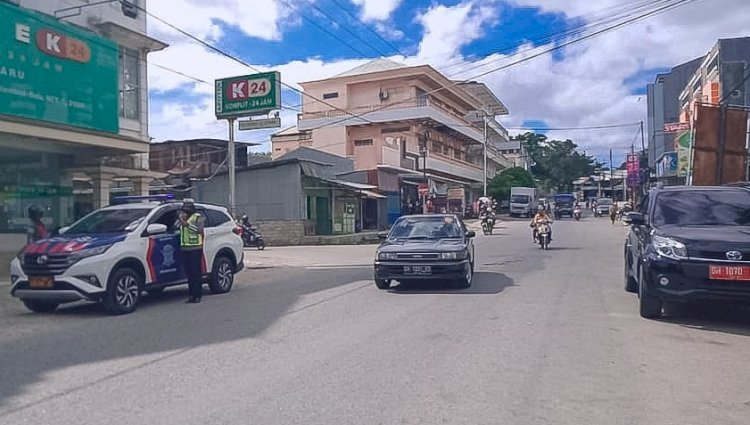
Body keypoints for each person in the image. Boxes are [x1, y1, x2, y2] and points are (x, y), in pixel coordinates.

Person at [176, 199, 205, 304]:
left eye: (187, 208)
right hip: (184, 248)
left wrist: (186, 224)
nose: (185, 211)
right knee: (189, 273)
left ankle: (197, 295)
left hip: (195, 248)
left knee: (196, 273)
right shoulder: (182, 217)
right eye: (184, 208)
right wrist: (180, 220)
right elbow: (177, 228)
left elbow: (200, 230)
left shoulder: (198, 217)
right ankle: (191, 295)